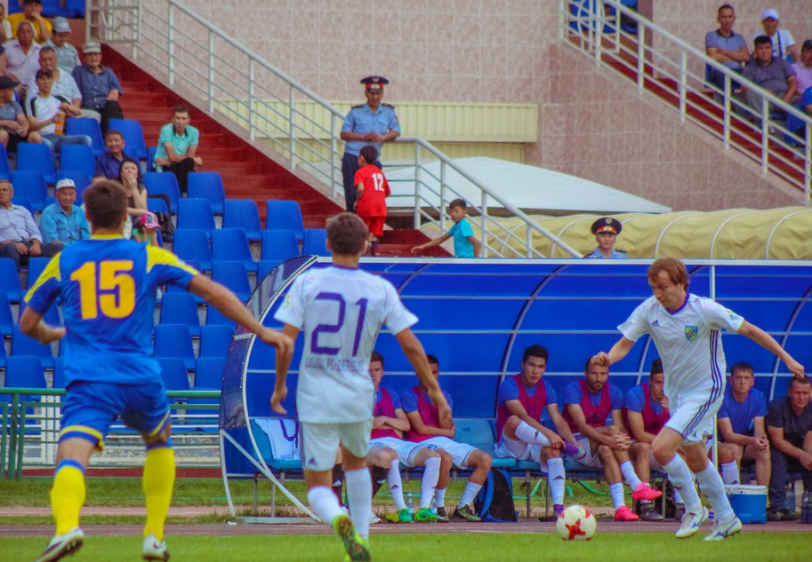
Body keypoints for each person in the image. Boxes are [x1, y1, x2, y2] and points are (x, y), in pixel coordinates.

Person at [24, 181, 293, 562]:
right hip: (139, 376)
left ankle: (66, 526)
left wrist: (48, 331)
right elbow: (213, 292)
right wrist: (262, 329)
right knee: (158, 440)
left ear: (86, 216)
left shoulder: (64, 260)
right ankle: (153, 536)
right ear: (124, 218)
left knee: (71, 452)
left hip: (89, 380)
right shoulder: (147, 256)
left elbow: (27, 323)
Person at [271, 212, 450, 562]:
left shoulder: (307, 283)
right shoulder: (378, 288)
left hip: (317, 393)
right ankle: (362, 541)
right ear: (367, 244)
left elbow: (285, 344)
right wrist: (434, 390)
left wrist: (279, 386)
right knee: (356, 465)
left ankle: (342, 522)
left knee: (318, 486)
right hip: (357, 392)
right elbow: (411, 344)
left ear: (327, 244)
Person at [593, 257, 805, 540]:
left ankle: (694, 509)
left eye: (663, 286)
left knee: (661, 449)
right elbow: (624, 344)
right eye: (653, 287)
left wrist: (786, 358)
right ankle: (727, 518)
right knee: (695, 458)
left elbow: (750, 330)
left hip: (706, 390)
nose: (658, 293)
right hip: (678, 395)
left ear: (682, 284)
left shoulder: (704, 309)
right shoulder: (649, 309)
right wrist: (609, 357)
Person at [563, 358, 662, 522]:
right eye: (594, 373)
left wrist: (621, 440)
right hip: (577, 444)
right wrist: (612, 438)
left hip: (599, 446)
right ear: (586, 373)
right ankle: (637, 485)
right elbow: (581, 427)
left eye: (603, 374)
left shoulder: (614, 392)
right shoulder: (573, 389)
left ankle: (620, 508)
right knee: (611, 432)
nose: (598, 378)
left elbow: (620, 426)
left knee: (607, 448)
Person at [401, 354, 493, 522]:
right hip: (421, 443)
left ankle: (463, 506)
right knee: (445, 457)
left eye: (434, 372)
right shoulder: (409, 395)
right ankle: (438, 506)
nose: (431, 376)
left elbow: (446, 425)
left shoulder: (445, 396)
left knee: (485, 459)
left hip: (445, 441)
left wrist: (438, 400)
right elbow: (420, 428)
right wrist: (448, 433)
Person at [494, 344, 582, 517]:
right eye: (531, 365)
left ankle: (559, 509)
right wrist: (550, 435)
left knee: (553, 451)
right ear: (522, 364)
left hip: (533, 443)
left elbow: (557, 418)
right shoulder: (509, 384)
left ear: (545, 369)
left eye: (540, 367)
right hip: (510, 444)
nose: (535, 371)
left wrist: (572, 441)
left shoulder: (546, 388)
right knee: (514, 420)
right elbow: (523, 416)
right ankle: (562, 445)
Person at [367, 351, 452, 523]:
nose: (373, 374)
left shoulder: (391, 395)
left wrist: (382, 420)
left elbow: (405, 425)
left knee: (433, 457)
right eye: (368, 371)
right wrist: (389, 423)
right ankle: (402, 509)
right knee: (391, 454)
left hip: (396, 442)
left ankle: (424, 509)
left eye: (376, 370)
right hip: (370, 443)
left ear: (382, 372)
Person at [624, 358, 680, 521]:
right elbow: (639, 434)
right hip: (635, 448)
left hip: (662, 448)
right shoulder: (636, 395)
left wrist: (671, 411)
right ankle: (645, 504)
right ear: (650, 381)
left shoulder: (675, 399)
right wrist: (667, 442)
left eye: (666, 383)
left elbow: (682, 433)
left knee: (685, 452)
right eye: (658, 382)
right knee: (643, 447)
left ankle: (683, 506)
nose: (662, 388)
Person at [340, 76, 400, 212]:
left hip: (373, 161)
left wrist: (384, 137)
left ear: (382, 94)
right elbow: (344, 134)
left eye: (378, 93)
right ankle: (353, 228)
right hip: (353, 158)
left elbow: (397, 130)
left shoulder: (388, 112)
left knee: (372, 196)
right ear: (366, 93)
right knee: (351, 195)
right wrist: (364, 137)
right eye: (372, 93)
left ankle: (367, 229)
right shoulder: (355, 111)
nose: (375, 97)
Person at [716, 361, 770, 488]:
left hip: (745, 442)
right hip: (721, 444)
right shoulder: (722, 398)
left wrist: (762, 440)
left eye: (746, 378)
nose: (742, 382)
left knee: (764, 451)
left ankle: (762, 497)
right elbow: (728, 435)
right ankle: (735, 496)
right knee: (734, 448)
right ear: (731, 380)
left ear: (752, 381)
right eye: (738, 378)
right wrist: (752, 440)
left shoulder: (758, 397)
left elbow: (759, 429)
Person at [766, 376, 812, 521]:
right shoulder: (777, 406)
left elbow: (809, 442)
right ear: (789, 392)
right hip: (776, 446)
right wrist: (802, 455)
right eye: (798, 393)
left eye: (805, 393)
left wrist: (808, 457)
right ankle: (778, 508)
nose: (802, 397)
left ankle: (809, 503)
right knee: (777, 457)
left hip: (798, 445)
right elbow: (778, 441)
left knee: (810, 460)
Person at [25, 69, 91, 155]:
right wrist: (51, 121)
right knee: (48, 145)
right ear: (37, 82)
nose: (46, 82)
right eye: (43, 79)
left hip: (59, 136)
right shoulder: (32, 101)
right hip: (43, 136)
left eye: (48, 79)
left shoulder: (58, 99)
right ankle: (55, 168)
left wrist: (67, 106)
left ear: (52, 80)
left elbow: (78, 112)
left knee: (86, 139)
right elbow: (32, 125)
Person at [0, 179, 61, 271]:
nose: (1, 193)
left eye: (4, 190)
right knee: (10, 248)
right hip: (7, 247)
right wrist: (14, 244)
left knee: (58, 247)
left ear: (11, 193)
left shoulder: (22, 210)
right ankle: (14, 280)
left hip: (28, 247)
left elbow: (34, 232)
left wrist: (36, 245)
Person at [741, 36, 797, 124]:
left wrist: (787, 98)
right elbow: (744, 88)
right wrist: (764, 91)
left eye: (767, 48)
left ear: (771, 49)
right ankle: (767, 127)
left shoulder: (781, 62)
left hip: (784, 97)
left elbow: (793, 81)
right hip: (764, 100)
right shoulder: (750, 68)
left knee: (804, 100)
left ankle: (802, 134)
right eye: (760, 48)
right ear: (755, 51)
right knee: (750, 94)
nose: (764, 51)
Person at [72, 43, 123, 132]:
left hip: (105, 109)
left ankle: (114, 136)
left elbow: (116, 88)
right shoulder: (78, 71)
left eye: (96, 55)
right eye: (90, 55)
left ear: (100, 56)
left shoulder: (108, 72)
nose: (94, 58)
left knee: (113, 106)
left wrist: (115, 90)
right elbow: (75, 91)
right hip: (88, 108)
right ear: (84, 57)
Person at [26, 47, 87, 120]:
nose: (48, 63)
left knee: (95, 116)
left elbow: (77, 96)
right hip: (50, 115)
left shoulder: (67, 76)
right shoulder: (35, 80)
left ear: (56, 60)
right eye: (44, 60)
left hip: (71, 111)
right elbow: (31, 104)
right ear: (39, 62)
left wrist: (73, 109)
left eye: (50, 59)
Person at [154, 105, 201, 195]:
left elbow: (189, 158)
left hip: (181, 165)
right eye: (178, 118)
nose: (180, 122)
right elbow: (172, 158)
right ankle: (182, 196)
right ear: (172, 119)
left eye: (184, 118)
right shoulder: (166, 130)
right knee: (186, 170)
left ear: (188, 120)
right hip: (164, 165)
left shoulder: (194, 132)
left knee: (189, 170)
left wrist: (190, 159)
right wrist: (194, 159)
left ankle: (184, 197)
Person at [411, 198, 481, 258]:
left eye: (456, 211)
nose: (453, 214)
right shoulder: (456, 226)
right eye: (451, 212)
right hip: (460, 259)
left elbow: (476, 243)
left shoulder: (463, 225)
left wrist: (475, 260)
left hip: (466, 260)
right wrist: (423, 246)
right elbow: (441, 239)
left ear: (464, 212)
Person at [354, 145, 390, 256]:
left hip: (367, 207)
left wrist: (357, 200)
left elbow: (360, 188)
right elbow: (387, 191)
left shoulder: (360, 172)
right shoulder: (379, 173)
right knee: (373, 235)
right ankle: (376, 255)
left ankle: (361, 256)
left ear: (361, 158)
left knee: (362, 233)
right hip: (381, 208)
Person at [704, 4, 748, 93]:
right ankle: (726, 105)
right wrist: (736, 56)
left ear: (734, 18)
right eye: (724, 17)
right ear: (718, 19)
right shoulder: (711, 36)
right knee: (724, 75)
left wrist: (725, 52)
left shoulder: (739, 38)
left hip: (737, 72)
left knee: (753, 76)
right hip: (719, 72)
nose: (727, 20)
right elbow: (713, 57)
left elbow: (745, 57)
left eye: (730, 17)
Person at [39, 179, 90, 249]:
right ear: (57, 195)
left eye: (71, 194)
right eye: (64, 194)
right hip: (58, 253)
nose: (68, 197)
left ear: (75, 196)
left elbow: (86, 237)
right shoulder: (49, 213)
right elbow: (53, 242)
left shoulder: (80, 212)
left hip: (79, 251)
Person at [5, 21, 42, 97]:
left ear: (33, 34)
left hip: (33, 88)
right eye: (22, 32)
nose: (26, 35)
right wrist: (8, 75)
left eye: (29, 32)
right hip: (12, 88)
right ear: (17, 34)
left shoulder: (40, 50)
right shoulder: (7, 48)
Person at [0, 75, 31, 152]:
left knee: (33, 136)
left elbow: (23, 120)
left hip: (12, 136)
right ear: (1, 92)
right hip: (2, 134)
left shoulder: (15, 105)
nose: (13, 92)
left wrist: (24, 128)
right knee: (3, 134)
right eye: (10, 90)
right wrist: (5, 123)